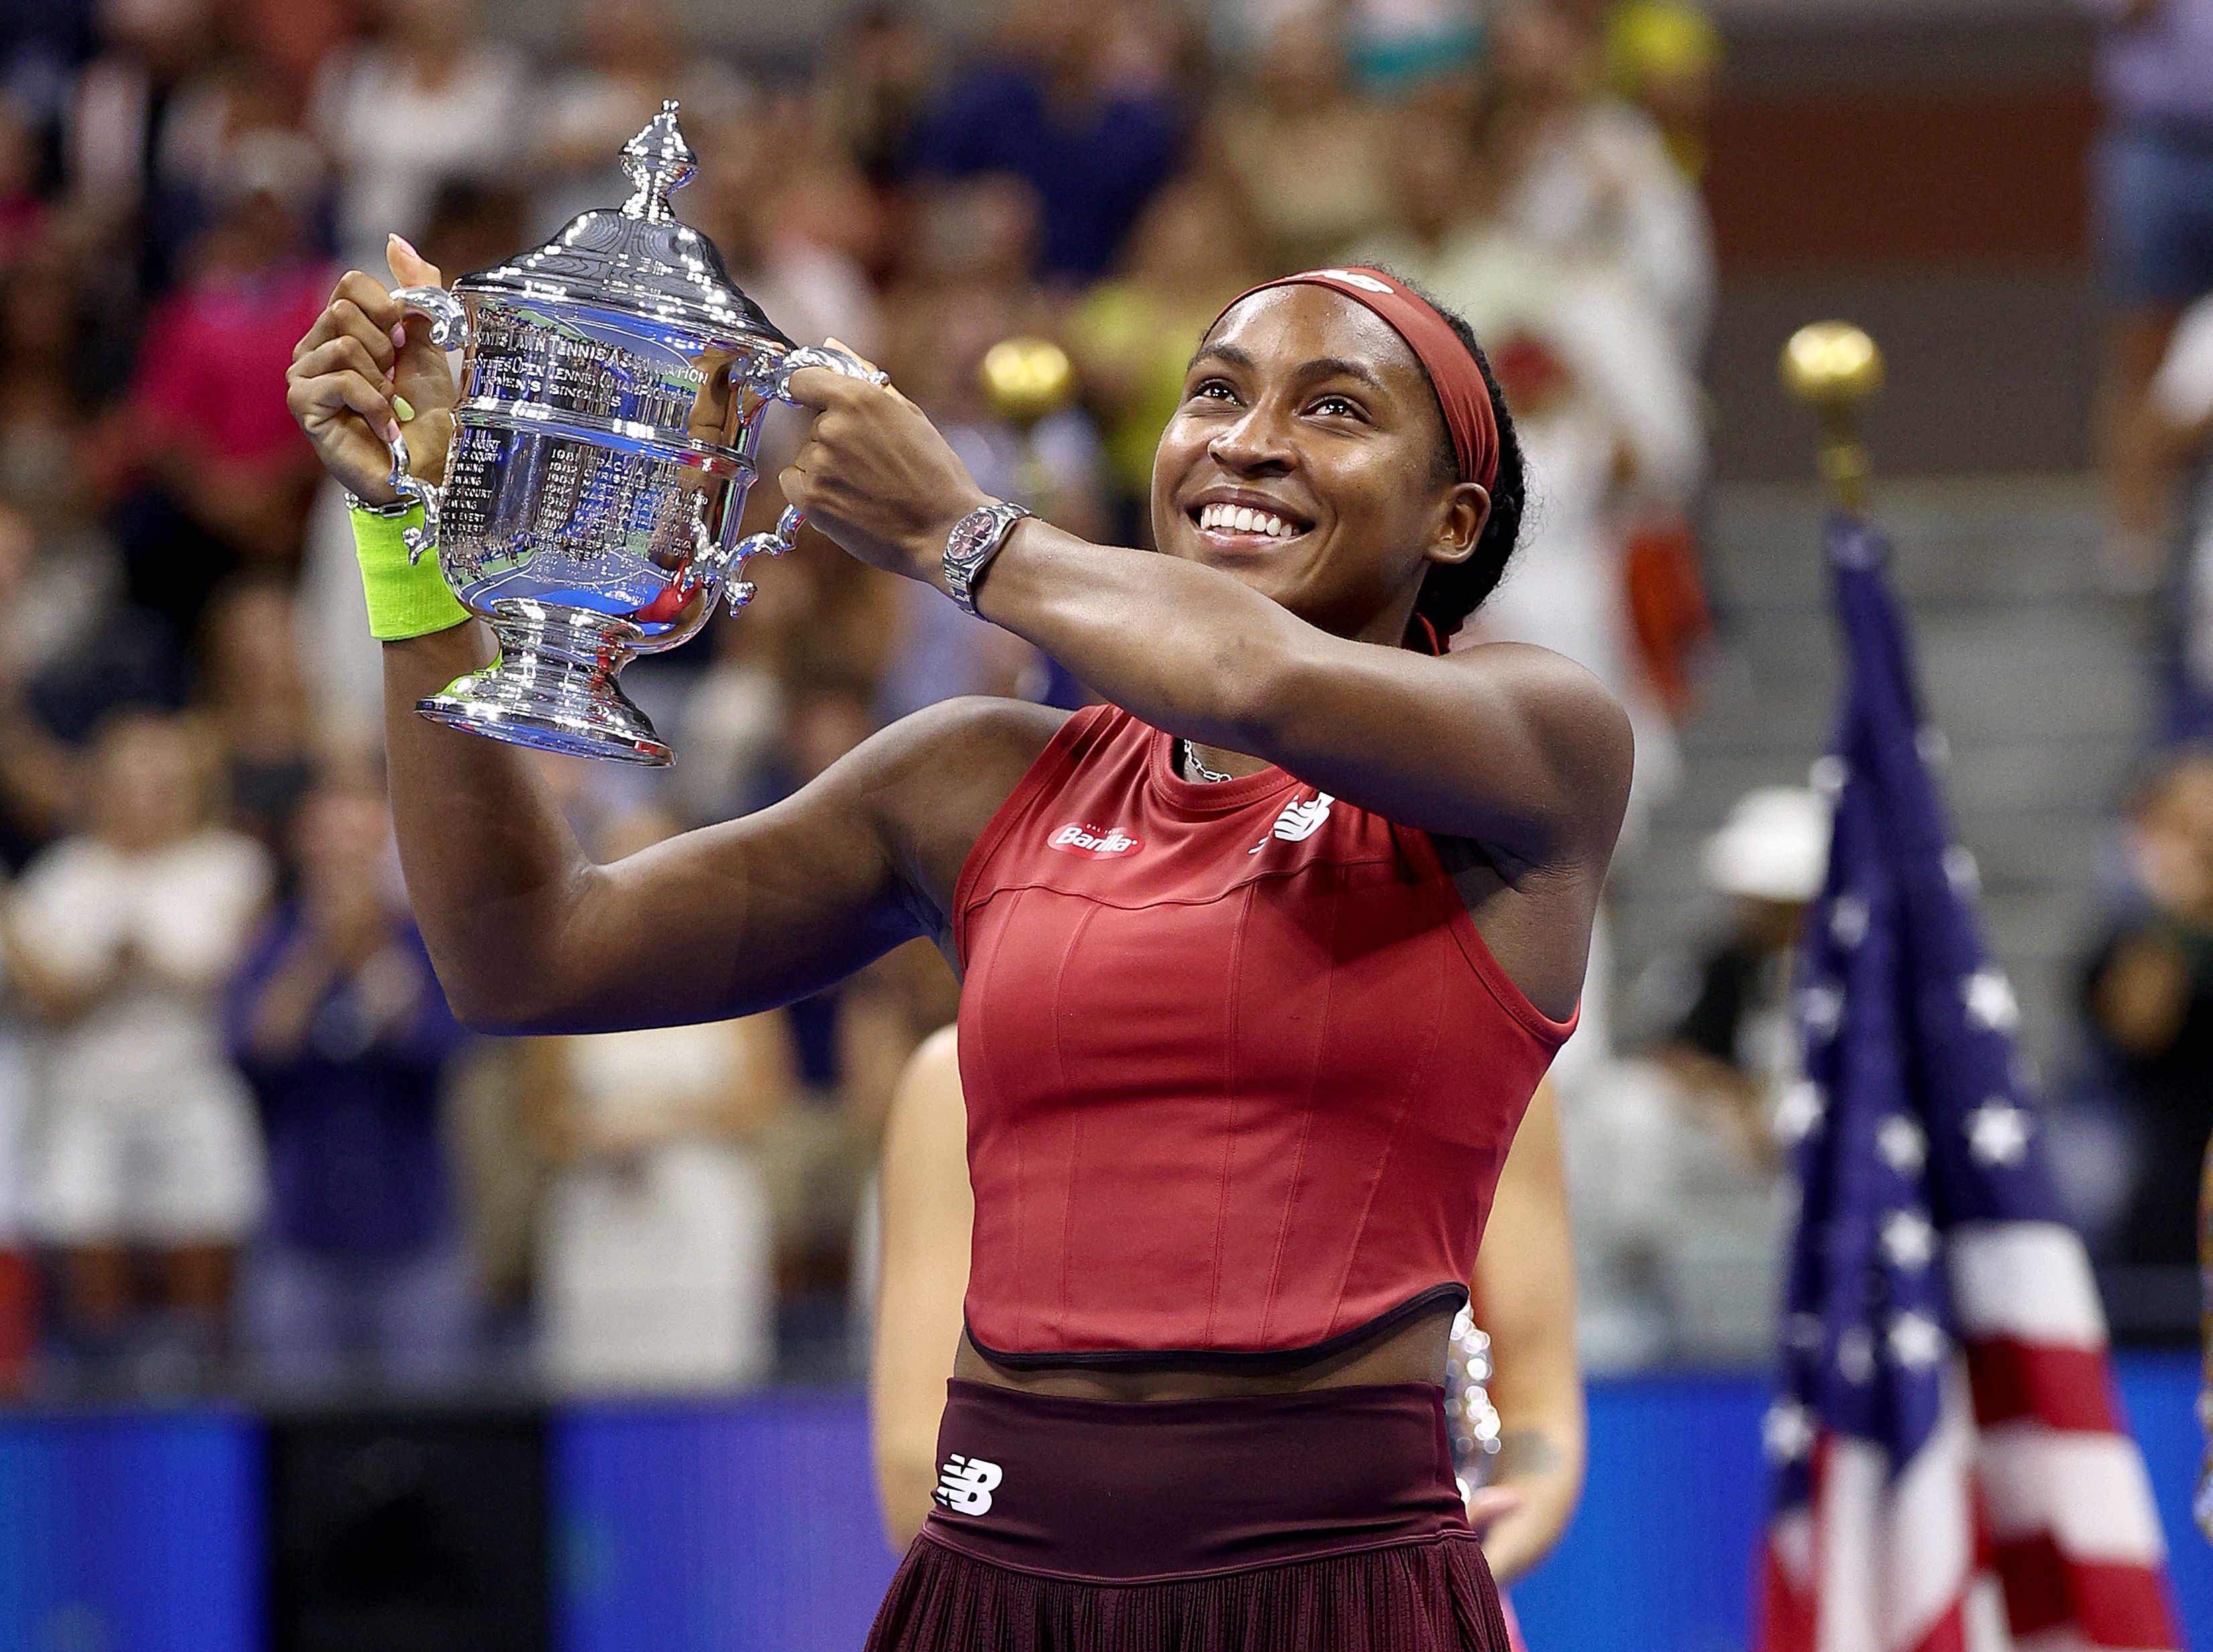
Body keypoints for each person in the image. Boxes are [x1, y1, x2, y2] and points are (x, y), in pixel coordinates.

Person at [287, 231, 1630, 1648]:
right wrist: (415, 548)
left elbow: (1253, 676)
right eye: (1218, 394)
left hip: (1345, 1588)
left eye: (1335, 408)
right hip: (992, 1587)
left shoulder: (1539, 744)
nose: (1249, 444)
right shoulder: (969, 781)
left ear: (1455, 522)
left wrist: (956, 533)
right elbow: (523, 950)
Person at [870, 1026, 1586, 1593]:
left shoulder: (1480, 1054)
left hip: (1403, 1605)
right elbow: (918, 1475)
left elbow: (1537, 1415)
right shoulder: (960, 1079)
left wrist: (1459, 1558)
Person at [8, 709, 270, 1389]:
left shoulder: (230, 865)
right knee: (94, 1286)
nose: (144, 797)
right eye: (128, 781)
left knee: (205, 1295)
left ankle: (205, 1406)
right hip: (88, 1099)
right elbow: (46, 995)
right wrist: (116, 970)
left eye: (161, 781)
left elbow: (232, 975)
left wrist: (128, 963)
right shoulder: (64, 875)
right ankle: (105, 1403)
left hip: (191, 1091)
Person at [227, 771, 473, 1391]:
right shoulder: (271, 942)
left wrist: (366, 948)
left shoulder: (427, 943)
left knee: (431, 1426)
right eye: (330, 840)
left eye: (359, 840)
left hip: (414, 1228)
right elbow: (258, 1047)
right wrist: (318, 950)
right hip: (301, 1229)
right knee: (297, 1438)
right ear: (303, 846)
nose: (345, 859)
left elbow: (432, 1047)